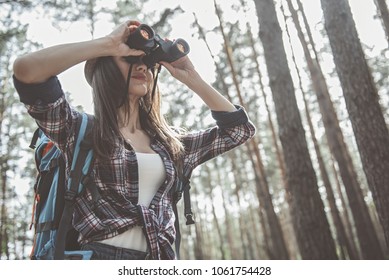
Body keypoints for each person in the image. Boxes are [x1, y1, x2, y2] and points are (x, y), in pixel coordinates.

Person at [13, 20, 256, 260]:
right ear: (106, 70)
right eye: (130, 59)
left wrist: (191, 76)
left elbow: (238, 130)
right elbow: (27, 71)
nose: (142, 68)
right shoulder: (79, 131)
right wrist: (108, 45)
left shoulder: (170, 144)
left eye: (148, 63)